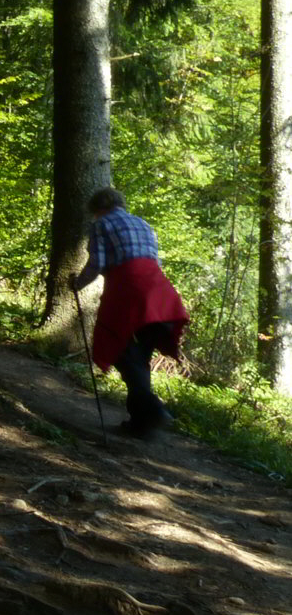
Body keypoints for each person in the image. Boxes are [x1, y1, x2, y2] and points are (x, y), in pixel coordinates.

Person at [70, 187, 189, 438]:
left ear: (97, 209)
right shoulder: (143, 224)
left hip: (129, 293)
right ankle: (141, 424)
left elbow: (97, 264)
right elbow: (152, 260)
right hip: (160, 294)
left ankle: (155, 410)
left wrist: (77, 284)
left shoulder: (102, 224)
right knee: (139, 356)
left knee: (122, 352)